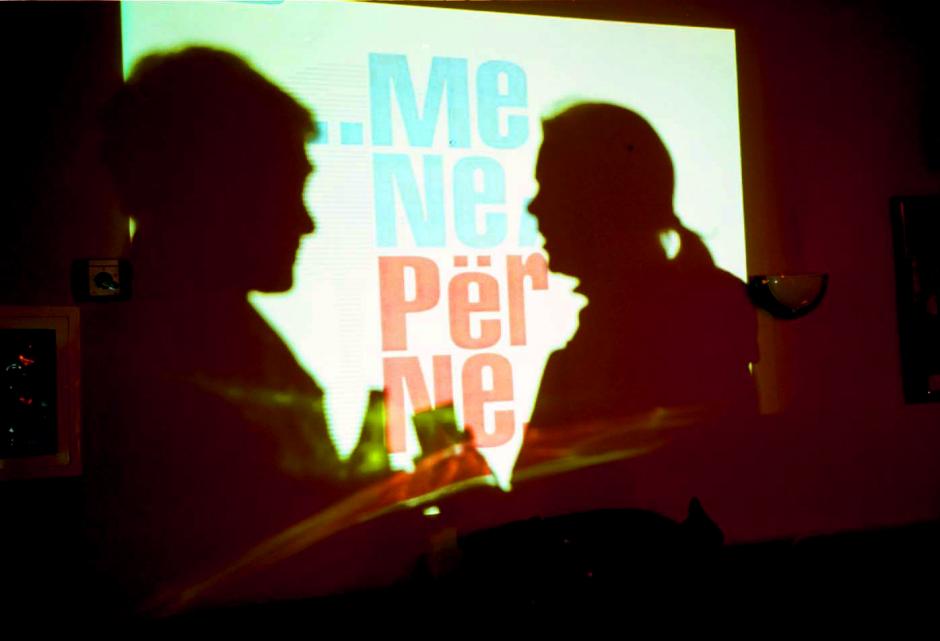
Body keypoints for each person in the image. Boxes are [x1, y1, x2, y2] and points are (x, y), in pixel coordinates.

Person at [527, 102, 758, 431]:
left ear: (600, 200)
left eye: (550, 189)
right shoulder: (704, 310)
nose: (534, 207)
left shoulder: (688, 324)